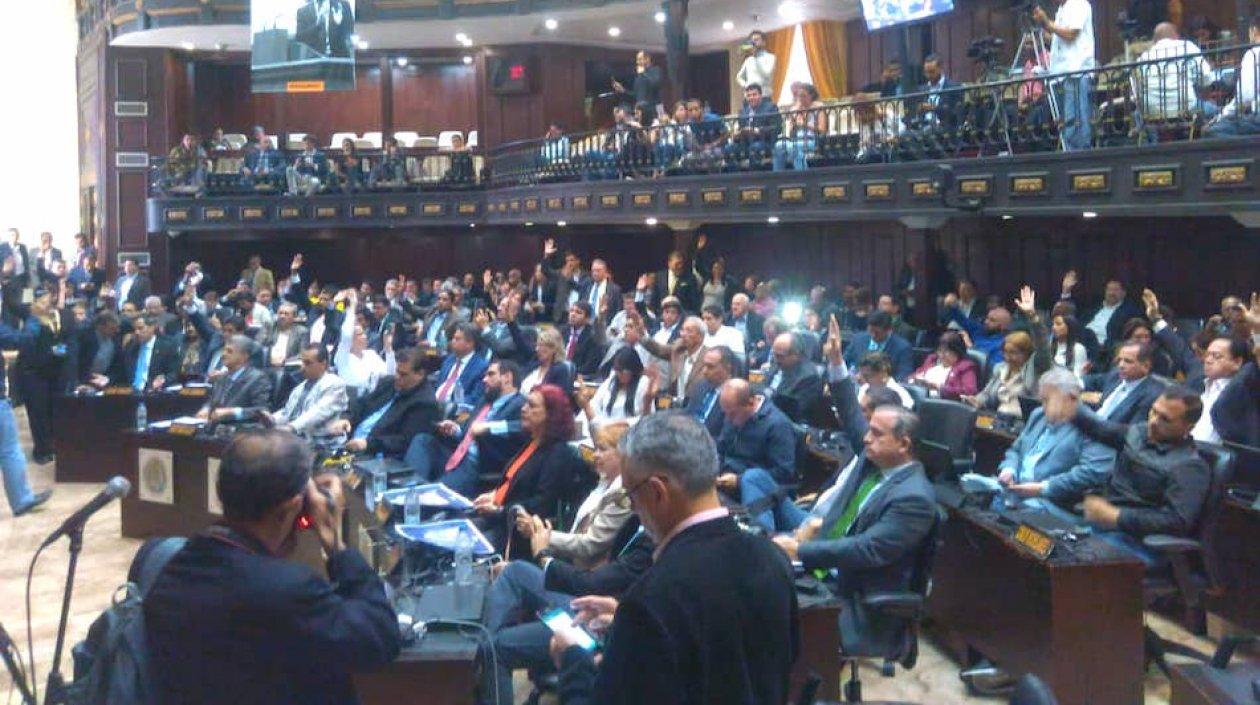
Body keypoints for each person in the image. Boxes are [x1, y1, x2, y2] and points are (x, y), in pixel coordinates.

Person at [552, 413, 797, 705]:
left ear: (657, 492)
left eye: (630, 497)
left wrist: (573, 663)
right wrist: (623, 622)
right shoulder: (773, 558)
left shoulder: (650, 599)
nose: (633, 508)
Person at [143, 430, 399, 705]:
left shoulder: (171, 567)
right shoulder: (286, 589)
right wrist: (335, 544)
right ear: (294, 507)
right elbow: (379, 639)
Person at [478, 423, 650, 705]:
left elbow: (592, 554)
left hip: (594, 608)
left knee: (493, 648)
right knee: (516, 571)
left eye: (603, 449)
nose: (596, 455)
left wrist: (544, 549)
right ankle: (479, 645)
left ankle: (481, 653)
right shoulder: (605, 489)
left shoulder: (623, 502)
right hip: (591, 591)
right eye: (595, 449)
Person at [771, 405, 937, 660]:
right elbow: (851, 419)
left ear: (903, 444)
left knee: (771, 616)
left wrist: (800, 551)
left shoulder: (914, 497)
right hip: (830, 572)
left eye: (876, 433)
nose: (866, 438)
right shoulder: (875, 469)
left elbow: (868, 549)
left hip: (858, 598)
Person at [1064, 386, 1210, 565]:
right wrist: (1070, 409)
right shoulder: (1139, 434)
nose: (1154, 422)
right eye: (1153, 412)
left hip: (1140, 544)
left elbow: (1176, 521)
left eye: (1165, 419)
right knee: (1040, 540)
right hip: (1101, 527)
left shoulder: (1189, 466)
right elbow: (1102, 429)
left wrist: (1117, 516)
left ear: (1188, 427)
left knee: (1069, 564)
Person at [470, 384, 583, 551]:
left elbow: (542, 503)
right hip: (499, 518)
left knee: (464, 547)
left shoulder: (559, 453)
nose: (523, 409)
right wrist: (494, 495)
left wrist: (500, 510)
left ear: (551, 415)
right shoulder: (531, 441)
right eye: (525, 404)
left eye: (532, 406)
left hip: (518, 532)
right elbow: (514, 482)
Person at [994, 368, 1116, 509]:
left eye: (1047, 400)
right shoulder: (1038, 415)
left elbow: (1094, 472)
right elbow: (1016, 449)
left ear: (1070, 398)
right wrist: (1009, 470)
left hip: (1052, 502)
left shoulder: (1095, 428)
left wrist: (1044, 487)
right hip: (1014, 491)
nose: (1042, 405)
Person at [409, 359, 529, 497]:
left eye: (490, 374)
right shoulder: (485, 400)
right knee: (423, 440)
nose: (484, 379)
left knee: (433, 496)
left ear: (507, 377)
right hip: (458, 455)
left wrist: (489, 427)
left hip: (477, 464)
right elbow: (469, 431)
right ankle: (411, 489)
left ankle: (420, 497)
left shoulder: (520, 404)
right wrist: (456, 429)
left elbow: (524, 427)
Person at [715, 379, 797, 532]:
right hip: (725, 484)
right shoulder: (732, 414)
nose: (728, 420)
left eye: (732, 414)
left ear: (751, 403)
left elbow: (784, 473)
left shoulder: (778, 425)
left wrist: (738, 481)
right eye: (725, 414)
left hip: (755, 492)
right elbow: (720, 448)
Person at [332, 347, 438, 459]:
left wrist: (368, 444)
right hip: (350, 441)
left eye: (403, 374)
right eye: (397, 371)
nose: (397, 377)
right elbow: (361, 403)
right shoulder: (388, 383)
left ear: (420, 374)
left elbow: (404, 441)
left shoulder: (425, 403)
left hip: (376, 454)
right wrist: (346, 418)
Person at [1034, 0, 1096, 150]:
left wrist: (1047, 23)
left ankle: (1079, 157)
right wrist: (1043, 25)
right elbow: (1058, 38)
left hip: (1075, 71)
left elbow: (1071, 34)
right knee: (1067, 121)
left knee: (1075, 120)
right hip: (1061, 73)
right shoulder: (1062, 9)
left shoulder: (1078, 4)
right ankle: (1070, 152)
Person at [263, 344, 349, 450]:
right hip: (296, 437)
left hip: (322, 442)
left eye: (307, 363)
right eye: (302, 362)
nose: (302, 367)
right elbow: (287, 412)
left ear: (323, 364)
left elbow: (317, 413)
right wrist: (272, 418)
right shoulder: (300, 387)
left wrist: (291, 427)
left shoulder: (334, 384)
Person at [1136, 22, 1215, 123]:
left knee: (1137, 116)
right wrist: (1206, 97)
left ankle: (1152, 139)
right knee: (1216, 111)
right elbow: (1206, 77)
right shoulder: (1187, 47)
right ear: (1177, 36)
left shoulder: (1143, 58)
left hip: (1153, 113)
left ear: (1154, 40)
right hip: (1187, 109)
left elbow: (1137, 92)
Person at [1082, 341, 1166, 424]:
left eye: (1128, 361)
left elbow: (1131, 432)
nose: (1121, 365)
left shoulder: (1152, 395)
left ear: (1145, 366)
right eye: (1119, 360)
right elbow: (1088, 381)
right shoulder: (1116, 375)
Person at [196, 336, 273, 424]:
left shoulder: (258, 379)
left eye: (229, 351)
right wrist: (206, 409)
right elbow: (212, 401)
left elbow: (262, 411)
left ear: (244, 356)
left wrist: (232, 412)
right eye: (224, 350)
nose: (223, 354)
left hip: (241, 430)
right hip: (214, 428)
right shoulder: (221, 377)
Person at [1203, 16, 1259, 137]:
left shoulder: (1254, 54)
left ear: (1254, 31)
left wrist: (1223, 114)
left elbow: (1246, 96)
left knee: (1214, 131)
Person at [579, 346, 652, 429]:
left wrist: (619, 424)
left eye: (622, 371)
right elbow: (594, 405)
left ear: (633, 370)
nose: (618, 374)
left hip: (628, 433)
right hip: (602, 429)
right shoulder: (611, 381)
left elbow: (645, 418)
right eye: (616, 369)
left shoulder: (644, 384)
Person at [764, 332, 825, 424]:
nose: (776, 360)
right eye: (774, 355)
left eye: (780, 356)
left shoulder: (809, 378)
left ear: (796, 355)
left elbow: (797, 412)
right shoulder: (776, 364)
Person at [640, 315, 707, 400]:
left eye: (689, 331)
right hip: (673, 402)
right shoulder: (679, 350)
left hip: (695, 405)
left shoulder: (708, 358)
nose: (683, 334)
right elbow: (659, 350)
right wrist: (641, 336)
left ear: (700, 336)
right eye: (682, 330)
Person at [909, 330, 981, 400]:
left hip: (942, 404)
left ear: (957, 351)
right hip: (918, 394)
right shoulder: (932, 359)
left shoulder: (966, 367)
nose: (941, 355)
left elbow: (970, 391)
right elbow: (915, 375)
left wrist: (939, 387)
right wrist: (914, 380)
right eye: (939, 351)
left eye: (946, 352)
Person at [433, 322, 490, 410]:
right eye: (453, 338)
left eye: (457, 339)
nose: (452, 341)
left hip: (455, 410)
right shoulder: (449, 359)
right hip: (434, 404)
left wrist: (450, 406)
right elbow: (438, 385)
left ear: (470, 343)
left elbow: (474, 398)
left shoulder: (482, 367)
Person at [844, 310, 915, 380]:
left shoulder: (902, 347)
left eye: (877, 333)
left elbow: (903, 375)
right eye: (871, 331)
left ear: (889, 330)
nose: (873, 336)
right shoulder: (858, 339)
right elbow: (844, 362)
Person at [773, 83, 826, 171]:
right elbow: (790, 133)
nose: (801, 99)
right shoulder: (796, 109)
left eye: (803, 96)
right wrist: (793, 121)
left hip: (812, 140)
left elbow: (822, 129)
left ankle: (803, 176)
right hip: (796, 139)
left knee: (791, 147)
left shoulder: (818, 108)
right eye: (799, 96)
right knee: (778, 146)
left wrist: (805, 125)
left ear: (811, 96)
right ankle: (777, 177)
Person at [121, 314, 180, 393]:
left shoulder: (166, 346)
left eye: (140, 328)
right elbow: (122, 373)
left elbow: (174, 372)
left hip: (154, 392)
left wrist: (164, 379)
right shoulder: (131, 347)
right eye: (134, 329)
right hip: (131, 393)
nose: (137, 332)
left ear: (152, 327)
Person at [725, 83, 781, 167]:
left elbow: (777, 128)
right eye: (748, 95)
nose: (751, 98)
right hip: (746, 143)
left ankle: (755, 178)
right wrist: (737, 135)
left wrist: (758, 131)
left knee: (755, 148)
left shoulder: (770, 108)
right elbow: (741, 129)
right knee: (728, 149)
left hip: (765, 143)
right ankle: (735, 177)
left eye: (754, 95)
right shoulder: (743, 111)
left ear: (760, 95)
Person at [261, 302, 309, 367]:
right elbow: (259, 345)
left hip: (288, 367)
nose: (282, 316)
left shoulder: (302, 332)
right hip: (267, 364)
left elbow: (302, 354)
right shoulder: (271, 327)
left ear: (294, 317)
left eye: (286, 314)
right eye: (280, 313)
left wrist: (285, 361)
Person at [1050, 312, 1090, 380]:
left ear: (1069, 327)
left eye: (1058, 324)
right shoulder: (1049, 346)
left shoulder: (1078, 348)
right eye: (1053, 324)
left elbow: (1078, 376)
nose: (1053, 327)